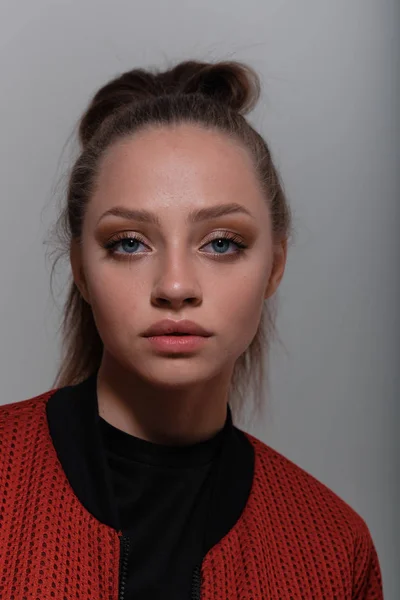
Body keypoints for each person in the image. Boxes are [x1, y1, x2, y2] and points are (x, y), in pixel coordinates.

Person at [0, 60, 383, 599]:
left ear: (275, 265)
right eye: (129, 242)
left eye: (222, 242)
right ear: (81, 270)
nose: (176, 285)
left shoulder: (334, 548)